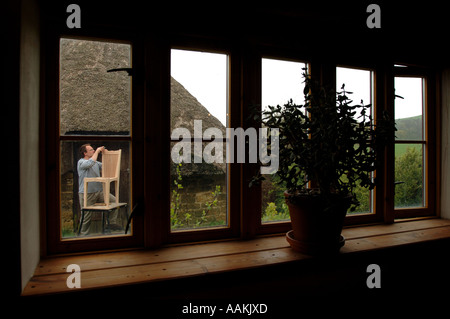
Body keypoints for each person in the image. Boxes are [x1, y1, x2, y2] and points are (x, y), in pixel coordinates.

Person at [77, 144, 122, 235]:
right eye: (91, 150)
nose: (93, 151)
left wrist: (108, 154)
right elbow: (90, 163)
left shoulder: (96, 163)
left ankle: (111, 223)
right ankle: (82, 235)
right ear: (85, 153)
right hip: (87, 193)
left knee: (115, 202)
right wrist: (97, 151)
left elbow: (107, 165)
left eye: (93, 149)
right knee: (86, 216)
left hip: (99, 192)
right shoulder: (81, 162)